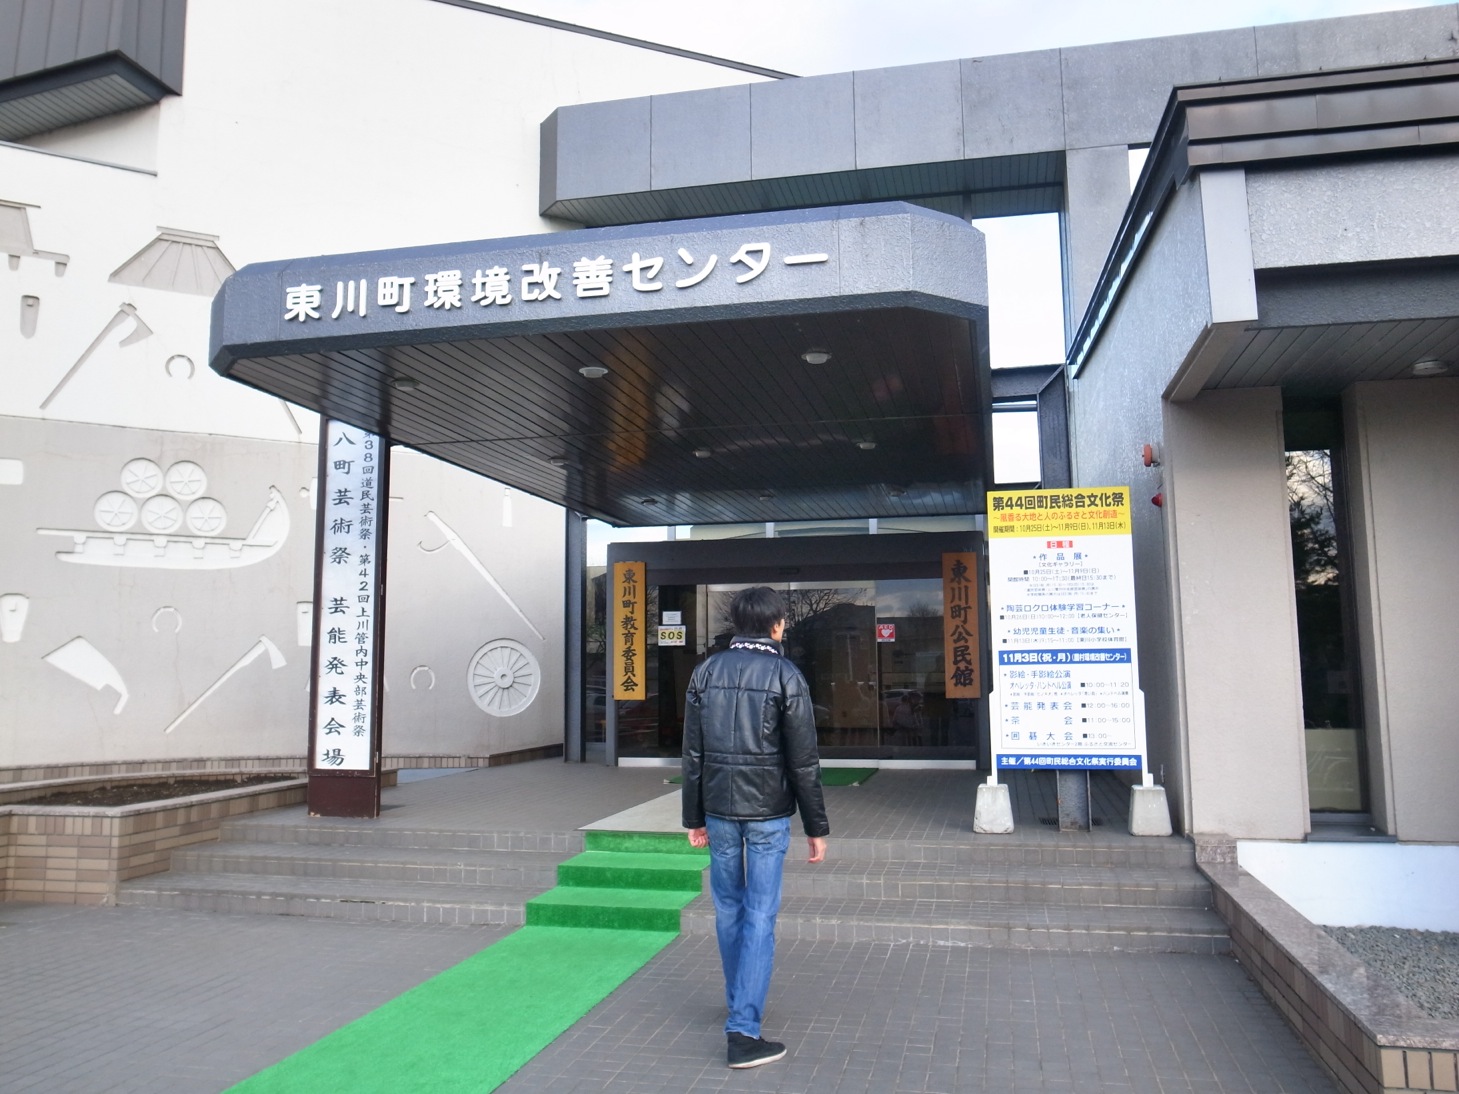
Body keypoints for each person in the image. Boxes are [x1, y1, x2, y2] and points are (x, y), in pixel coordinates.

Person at [681, 586, 829, 1070]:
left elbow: (692, 753)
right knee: (760, 915)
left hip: (719, 811)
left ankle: (739, 1001)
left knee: (729, 910)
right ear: (776, 625)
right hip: (767, 814)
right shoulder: (786, 675)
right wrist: (816, 826)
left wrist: (693, 817)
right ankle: (743, 1030)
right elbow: (804, 761)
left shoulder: (706, 671)